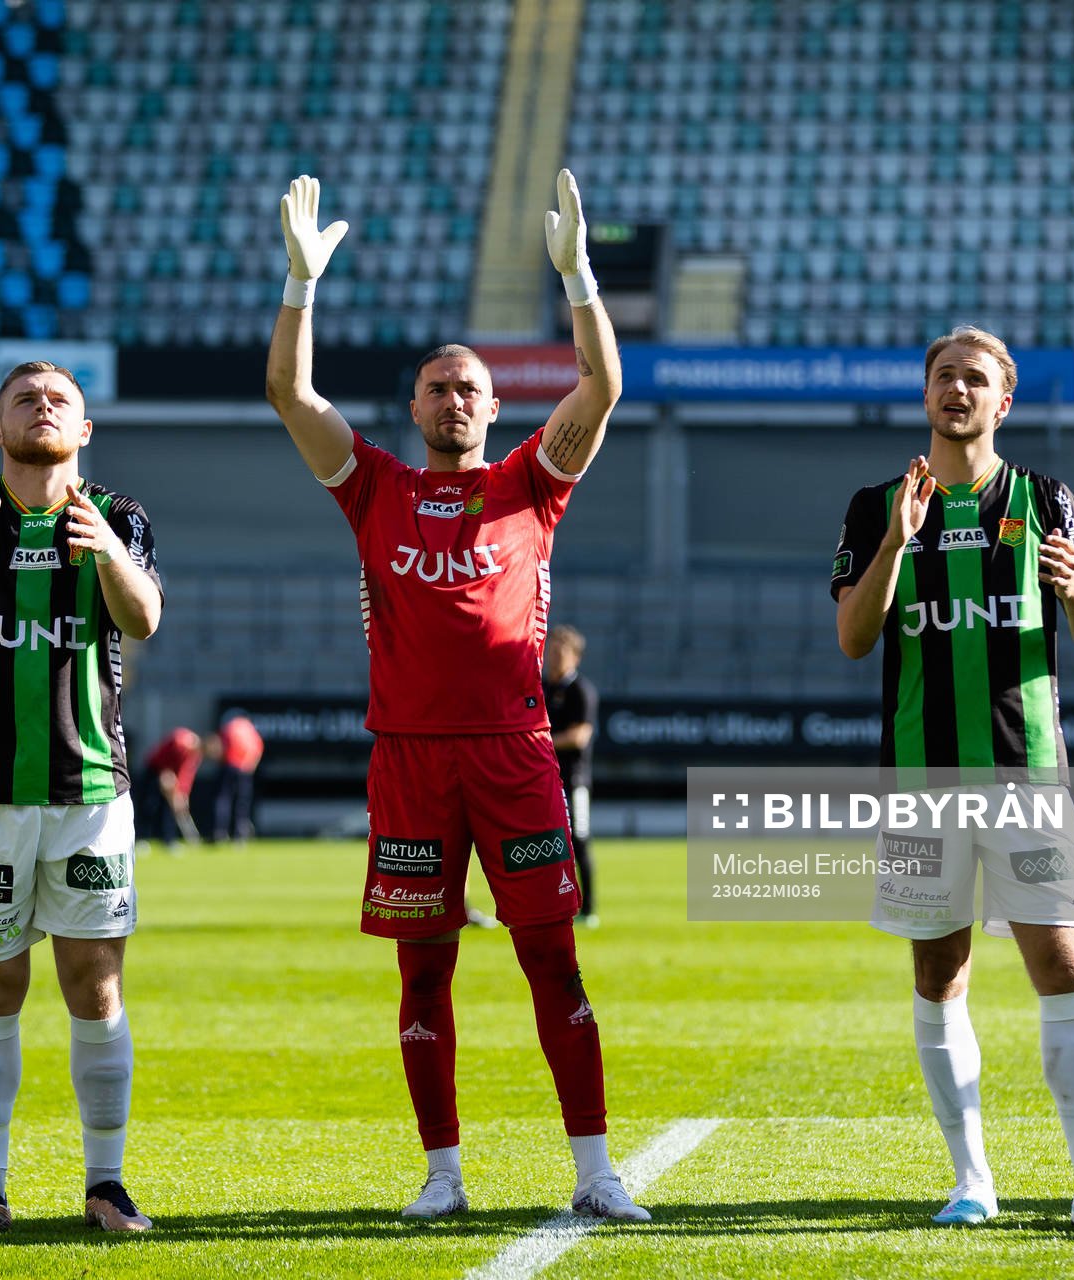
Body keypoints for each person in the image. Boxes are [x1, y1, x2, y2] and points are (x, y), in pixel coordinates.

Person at [265, 170, 648, 1221]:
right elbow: (291, 398)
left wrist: (578, 277)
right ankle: (443, 1173)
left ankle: (596, 1170)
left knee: (552, 962)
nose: (453, 399)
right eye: (437, 387)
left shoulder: (531, 481)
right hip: (410, 758)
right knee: (422, 974)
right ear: (416, 406)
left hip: (516, 754)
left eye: (469, 387)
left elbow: (602, 390)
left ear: (492, 404)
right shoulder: (374, 486)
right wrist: (299, 286)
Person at [832, 326, 1074, 1233]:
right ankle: (971, 1180)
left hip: (1028, 775)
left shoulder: (1047, 498)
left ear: (1002, 400)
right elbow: (855, 638)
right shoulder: (874, 505)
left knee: (1064, 965)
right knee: (940, 972)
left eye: (976, 379)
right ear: (926, 393)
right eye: (944, 377)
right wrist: (897, 544)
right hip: (921, 781)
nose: (958, 390)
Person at [0, 361, 163, 1236]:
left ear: (85, 430)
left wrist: (109, 552)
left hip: (89, 788)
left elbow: (144, 619)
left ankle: (107, 1184)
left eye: (60, 401)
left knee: (96, 987)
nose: (41, 407)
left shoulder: (118, 516)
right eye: (23, 398)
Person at [543, 626, 599, 926]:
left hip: (573, 781)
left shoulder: (581, 691)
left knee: (579, 841)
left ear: (575, 657)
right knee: (546, 845)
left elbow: (579, 737)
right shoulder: (541, 688)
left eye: (559, 651)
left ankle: (589, 909)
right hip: (544, 782)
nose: (552, 657)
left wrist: (539, 741)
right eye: (550, 650)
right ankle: (553, 906)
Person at [143, 725, 204, 847]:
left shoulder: (195, 755)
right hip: (156, 770)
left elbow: (186, 774)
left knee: (169, 809)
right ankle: (143, 838)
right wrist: (166, 776)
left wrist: (183, 794)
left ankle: (169, 840)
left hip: (172, 775)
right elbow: (166, 766)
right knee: (150, 804)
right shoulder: (179, 742)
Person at [212, 710, 264, 846]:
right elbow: (258, 749)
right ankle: (239, 836)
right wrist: (251, 765)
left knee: (223, 800)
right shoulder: (250, 729)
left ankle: (220, 833)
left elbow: (219, 747)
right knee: (241, 803)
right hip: (245, 769)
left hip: (229, 766)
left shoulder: (230, 726)